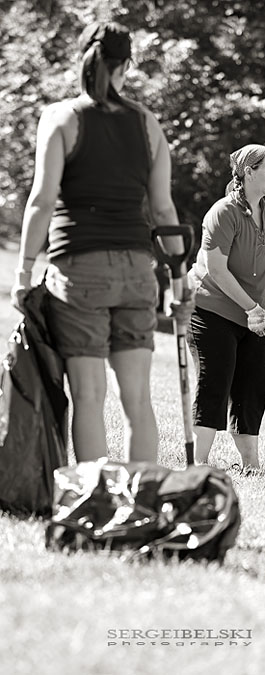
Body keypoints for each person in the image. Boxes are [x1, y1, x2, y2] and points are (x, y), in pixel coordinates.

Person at [10, 22, 191, 464]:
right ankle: (140, 506)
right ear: (126, 66)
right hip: (136, 270)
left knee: (89, 396)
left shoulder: (61, 118)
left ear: (82, 61)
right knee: (137, 400)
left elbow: (42, 201)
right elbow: (165, 213)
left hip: (79, 269)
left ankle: (98, 506)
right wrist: (181, 284)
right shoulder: (147, 123)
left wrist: (24, 273)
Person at [187, 143, 265, 470]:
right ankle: (198, 463)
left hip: (256, 316)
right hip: (212, 309)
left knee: (251, 387)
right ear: (249, 172)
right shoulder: (223, 212)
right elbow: (217, 269)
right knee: (214, 382)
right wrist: (252, 309)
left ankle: (252, 465)